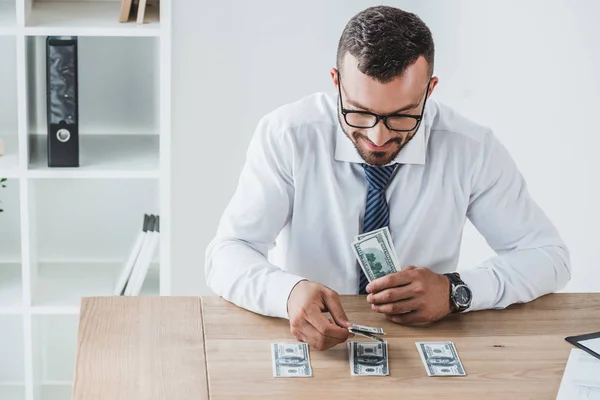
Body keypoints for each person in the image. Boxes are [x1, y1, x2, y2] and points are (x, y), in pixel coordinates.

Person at [204, 5, 571, 351]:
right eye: (359, 113)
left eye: (402, 116)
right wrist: (287, 292)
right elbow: (227, 253)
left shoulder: (472, 149)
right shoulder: (287, 135)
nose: (378, 138)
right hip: (314, 346)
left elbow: (549, 258)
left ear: (429, 90)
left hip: (422, 345)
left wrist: (455, 290)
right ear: (336, 83)